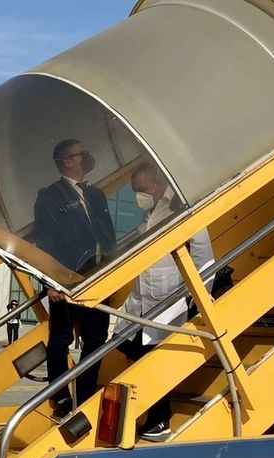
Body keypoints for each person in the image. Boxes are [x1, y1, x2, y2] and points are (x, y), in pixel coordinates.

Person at [117, 162, 214, 440]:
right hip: (143, 298)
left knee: (155, 359)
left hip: (168, 298)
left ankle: (160, 420)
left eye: (142, 188)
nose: (139, 195)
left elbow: (203, 253)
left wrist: (200, 293)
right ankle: (151, 413)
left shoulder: (179, 206)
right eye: (135, 190)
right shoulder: (149, 213)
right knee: (125, 343)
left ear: (159, 183)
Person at [33, 138, 117, 418]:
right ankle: (60, 396)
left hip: (97, 275)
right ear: (67, 162)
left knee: (96, 337)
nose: (88, 157)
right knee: (61, 337)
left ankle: (85, 393)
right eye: (82, 154)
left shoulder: (96, 194)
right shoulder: (49, 195)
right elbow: (44, 241)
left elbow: (108, 236)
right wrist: (49, 281)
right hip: (65, 278)